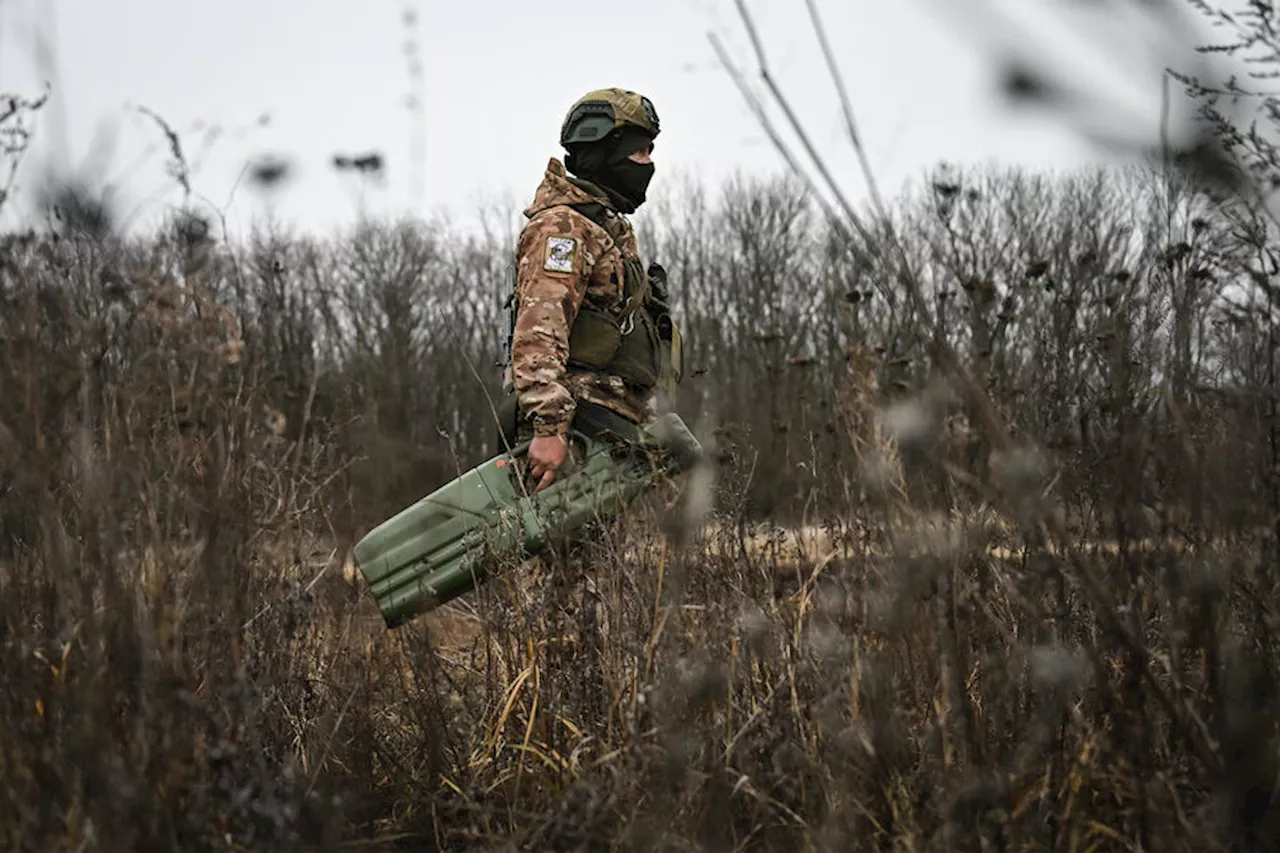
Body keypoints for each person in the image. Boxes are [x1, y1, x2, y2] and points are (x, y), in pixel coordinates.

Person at [499, 87, 683, 493]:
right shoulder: (563, 229)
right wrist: (548, 428)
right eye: (640, 152)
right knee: (569, 558)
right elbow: (538, 334)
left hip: (610, 433)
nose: (649, 163)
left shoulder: (605, 230)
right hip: (573, 436)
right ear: (605, 154)